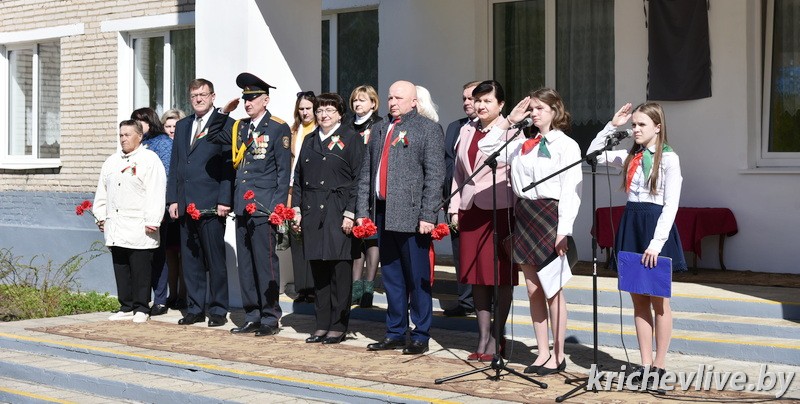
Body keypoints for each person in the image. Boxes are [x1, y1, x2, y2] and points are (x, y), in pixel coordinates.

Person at [478, 88, 582, 375]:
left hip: (550, 216)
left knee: (552, 289)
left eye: (539, 108)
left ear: (554, 110)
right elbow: (487, 147)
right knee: (533, 288)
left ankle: (558, 354)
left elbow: (572, 191)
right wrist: (508, 120)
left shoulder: (566, 145)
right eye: (531, 109)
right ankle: (542, 352)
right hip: (524, 214)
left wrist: (565, 229)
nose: (533, 113)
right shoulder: (522, 143)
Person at [587, 102, 686, 382]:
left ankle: (659, 364)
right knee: (638, 301)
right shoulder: (629, 156)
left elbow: (671, 205)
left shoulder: (669, 158)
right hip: (631, 224)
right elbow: (593, 153)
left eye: (641, 124)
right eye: (634, 125)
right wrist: (612, 125)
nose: (636, 129)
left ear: (658, 127)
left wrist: (656, 243)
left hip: (655, 227)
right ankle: (643, 365)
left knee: (659, 302)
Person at [356, 80, 445, 355]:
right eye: (390, 97)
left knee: (416, 277)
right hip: (383, 213)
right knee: (392, 277)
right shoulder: (380, 128)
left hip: (413, 216)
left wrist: (428, 214)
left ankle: (420, 333)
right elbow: (367, 174)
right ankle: (395, 331)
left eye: (399, 97)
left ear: (414, 101)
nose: (393, 102)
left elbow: (435, 175)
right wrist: (362, 212)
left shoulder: (428, 129)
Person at [205, 72, 292, 337]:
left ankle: (269, 316)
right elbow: (212, 135)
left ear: (265, 100)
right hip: (242, 205)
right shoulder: (239, 126)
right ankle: (252, 314)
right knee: (246, 263)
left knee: (265, 262)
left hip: (264, 207)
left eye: (253, 98)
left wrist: (277, 208)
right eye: (245, 99)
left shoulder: (278, 127)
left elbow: (282, 171)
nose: (248, 103)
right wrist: (223, 111)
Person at [449, 80, 516, 361]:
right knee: (476, 276)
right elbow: (458, 173)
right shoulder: (466, 130)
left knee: (499, 275)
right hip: (470, 209)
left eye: (487, 101)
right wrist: (454, 207)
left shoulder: (513, 132)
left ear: (501, 105)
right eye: (477, 101)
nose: (480, 106)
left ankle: (498, 336)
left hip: (500, 209)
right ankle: (483, 336)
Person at [292, 92, 365, 344]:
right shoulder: (310, 139)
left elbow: (358, 179)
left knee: (339, 272)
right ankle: (321, 323)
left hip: (338, 211)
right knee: (319, 273)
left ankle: (338, 325)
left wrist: (351, 212)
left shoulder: (351, 138)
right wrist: (297, 210)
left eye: (330, 111)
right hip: (313, 212)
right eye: (320, 110)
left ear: (340, 115)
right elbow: (298, 178)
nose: (324, 115)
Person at [166, 79, 235, 327]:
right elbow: (176, 163)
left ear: (213, 96)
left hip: (211, 203)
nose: (198, 99)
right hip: (185, 202)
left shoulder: (226, 124)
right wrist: (173, 198)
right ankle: (194, 308)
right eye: (194, 95)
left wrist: (225, 199)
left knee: (215, 260)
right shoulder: (183, 125)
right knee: (191, 259)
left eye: (203, 94)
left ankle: (217, 310)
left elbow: (229, 165)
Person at [94, 120, 166, 323]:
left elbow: (156, 191)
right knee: (121, 266)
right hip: (116, 223)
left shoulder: (149, 159)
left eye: (127, 135)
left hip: (139, 224)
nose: (123, 139)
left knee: (140, 267)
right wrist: (100, 215)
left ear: (140, 136)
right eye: (121, 135)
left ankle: (142, 307)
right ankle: (126, 305)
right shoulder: (112, 161)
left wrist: (153, 219)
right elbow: (102, 191)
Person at [442, 80, 480, 318]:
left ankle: (489, 301)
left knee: (484, 253)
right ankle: (466, 301)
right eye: (464, 98)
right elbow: (447, 161)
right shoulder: (455, 127)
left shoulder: (498, 128)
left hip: (483, 199)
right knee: (461, 252)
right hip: (455, 199)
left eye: (472, 98)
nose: (467, 102)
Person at [131, 107, 173, 316]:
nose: (138, 126)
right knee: (139, 256)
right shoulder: (136, 145)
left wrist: (157, 206)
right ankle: (139, 299)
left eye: (141, 122)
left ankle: (160, 300)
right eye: (134, 122)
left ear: (150, 121)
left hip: (156, 208)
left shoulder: (162, 143)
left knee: (157, 253)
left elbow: (164, 176)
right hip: (135, 209)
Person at [347, 85, 382, 308]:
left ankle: (369, 286)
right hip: (351, 185)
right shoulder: (348, 126)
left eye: (362, 100)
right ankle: (355, 286)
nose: (357, 104)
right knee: (354, 238)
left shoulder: (379, 125)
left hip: (371, 187)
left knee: (370, 236)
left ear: (373, 103)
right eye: (355, 101)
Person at [285, 91, 317, 303]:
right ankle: (301, 287)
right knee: (296, 236)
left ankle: (313, 287)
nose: (305, 112)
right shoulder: (292, 130)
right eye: (301, 108)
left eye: (308, 108)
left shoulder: (319, 129)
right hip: (292, 188)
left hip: (313, 188)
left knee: (312, 236)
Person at [160, 108, 187, 309]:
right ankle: (173, 294)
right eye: (167, 126)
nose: (171, 130)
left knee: (184, 255)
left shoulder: (186, 145)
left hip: (183, 205)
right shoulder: (162, 147)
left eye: (175, 126)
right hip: (166, 207)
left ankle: (185, 295)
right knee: (170, 254)